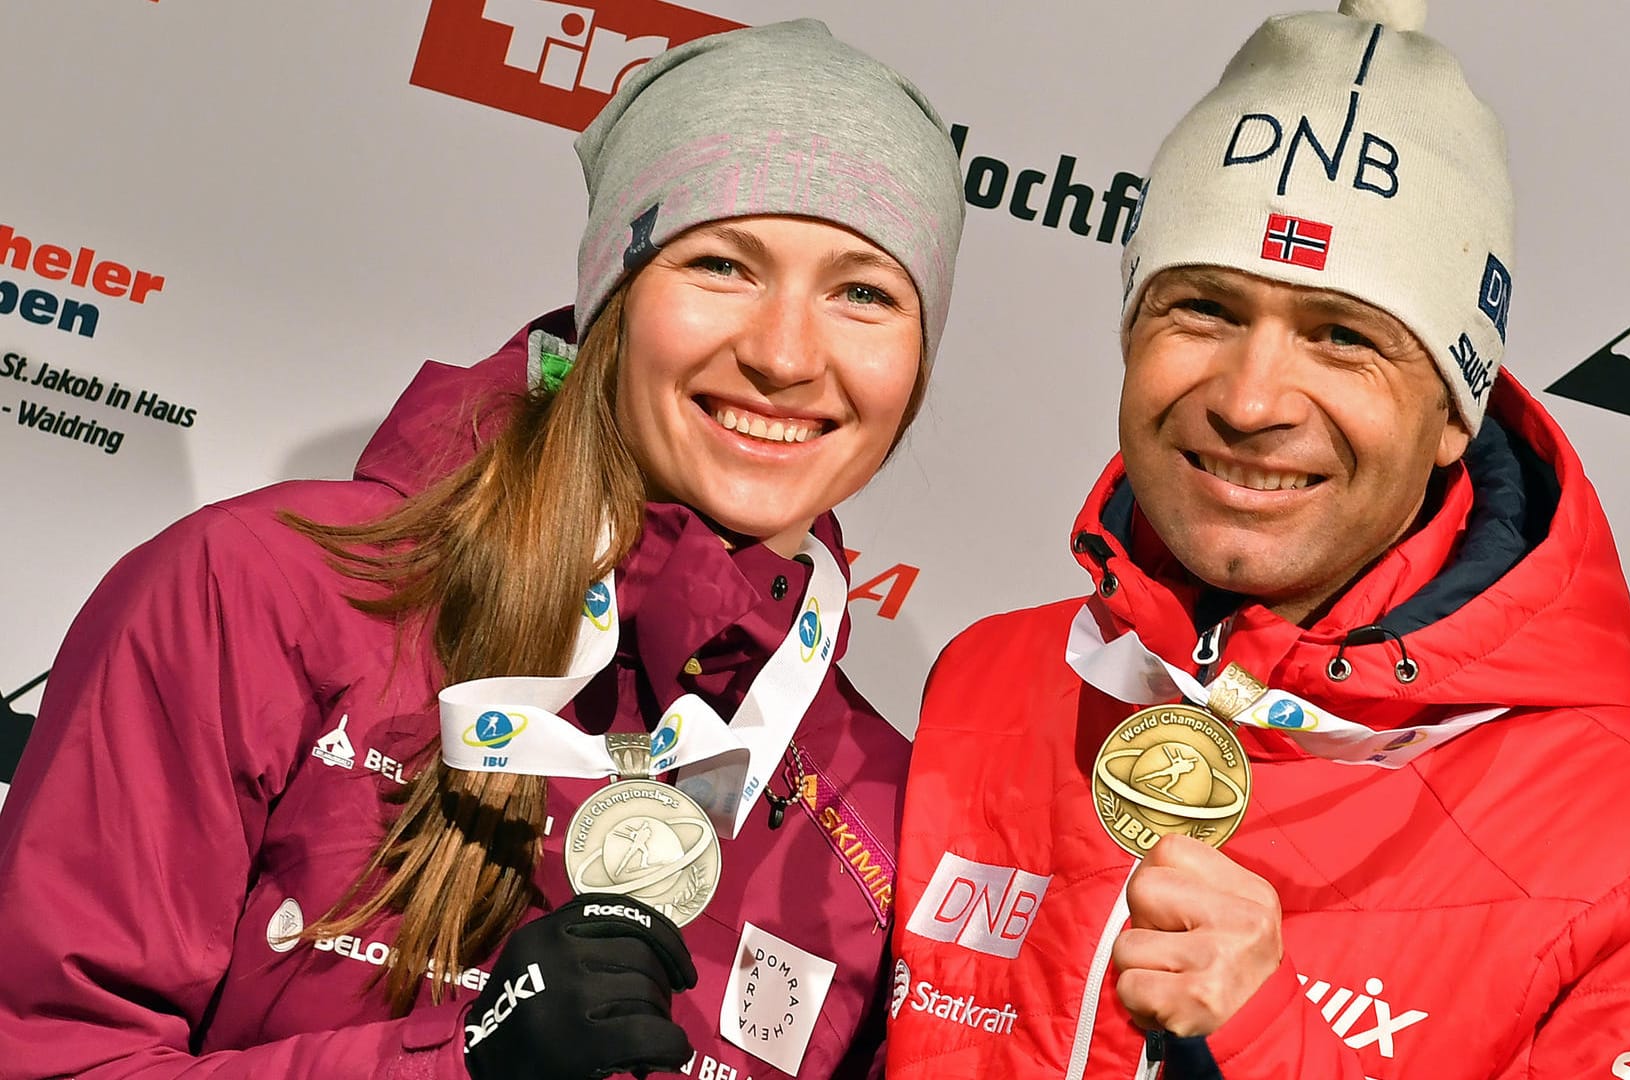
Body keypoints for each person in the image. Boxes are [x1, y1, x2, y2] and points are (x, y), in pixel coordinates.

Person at [0, 19, 963, 1080]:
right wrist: (460, 1067)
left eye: (864, 292)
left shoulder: (887, 806)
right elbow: (49, 1058)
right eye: (722, 263)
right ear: (615, 300)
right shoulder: (263, 595)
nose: (785, 354)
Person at [886, 2, 1630, 1078]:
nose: (1253, 400)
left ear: (1456, 413)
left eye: (1343, 337)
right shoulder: (989, 680)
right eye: (1204, 310)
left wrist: (1269, 1043)